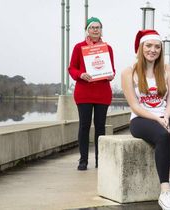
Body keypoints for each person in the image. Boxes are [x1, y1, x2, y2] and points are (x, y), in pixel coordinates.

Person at [121, 29, 170, 210]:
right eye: (149, 46)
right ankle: (165, 192)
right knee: (163, 136)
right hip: (140, 119)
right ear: (141, 48)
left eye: (157, 47)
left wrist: (166, 116)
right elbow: (135, 106)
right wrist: (157, 119)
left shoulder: (167, 70)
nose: (153, 50)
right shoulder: (129, 72)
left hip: (163, 115)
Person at [68, 17, 115, 171]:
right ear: (87, 30)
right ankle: (83, 160)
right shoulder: (78, 47)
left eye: (98, 27)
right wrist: (81, 74)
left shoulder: (107, 48)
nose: (95, 30)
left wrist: (111, 74)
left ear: (101, 30)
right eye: (92, 27)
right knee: (84, 126)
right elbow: (72, 68)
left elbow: (112, 69)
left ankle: (99, 160)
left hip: (102, 92)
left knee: (100, 127)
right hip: (84, 93)